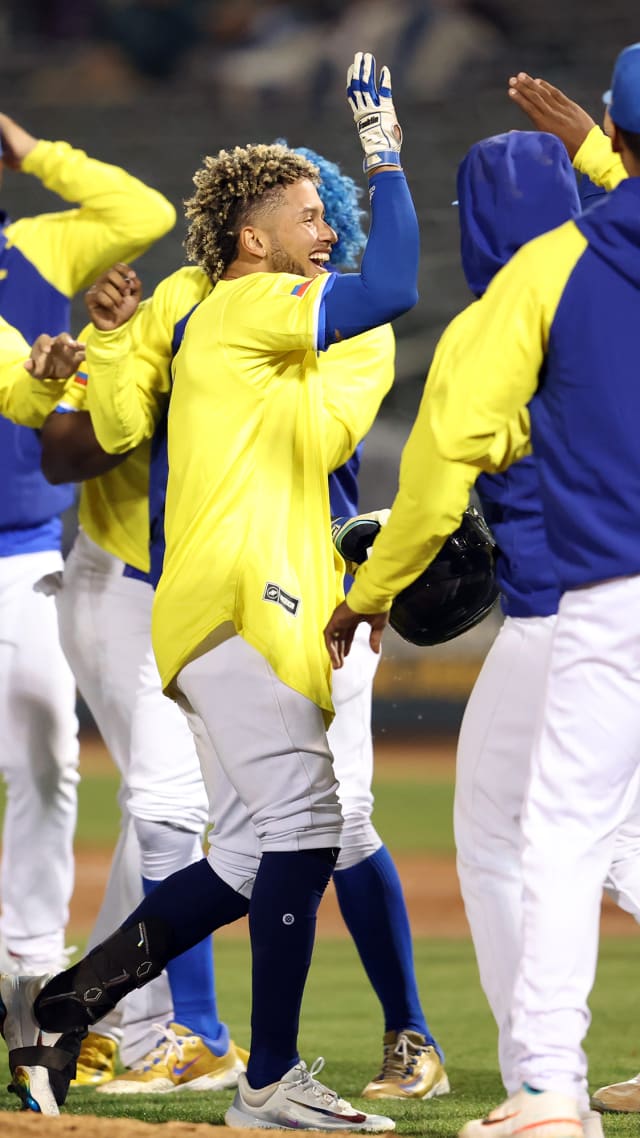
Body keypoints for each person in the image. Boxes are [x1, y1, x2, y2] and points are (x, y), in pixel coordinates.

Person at [0, 51, 418, 1130]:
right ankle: (267, 1081)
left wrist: (108, 341)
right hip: (242, 598)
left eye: (326, 212)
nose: (323, 228)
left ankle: (61, 1006)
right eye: (303, 214)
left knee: (240, 853)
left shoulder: (202, 305)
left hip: (212, 601)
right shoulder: (249, 305)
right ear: (252, 241)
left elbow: (126, 420)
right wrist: (383, 154)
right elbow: (395, 288)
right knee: (309, 826)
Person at [324, 40, 640, 1138]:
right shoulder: (584, 237)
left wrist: (370, 592)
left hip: (588, 610)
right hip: (585, 615)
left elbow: (432, 485)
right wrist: (597, 155)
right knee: (619, 836)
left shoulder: (529, 291)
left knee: (535, 837)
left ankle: (544, 1084)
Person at [0, 110, 175, 984]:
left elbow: (145, 213)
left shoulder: (34, 245)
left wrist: (35, 152)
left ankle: (29, 959)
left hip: (20, 544)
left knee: (46, 754)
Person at [507, 68, 640, 1121]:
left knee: (561, 833)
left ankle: (549, 1088)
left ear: (612, 127)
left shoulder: (556, 263)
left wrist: (378, 581)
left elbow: (461, 430)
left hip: (614, 597)